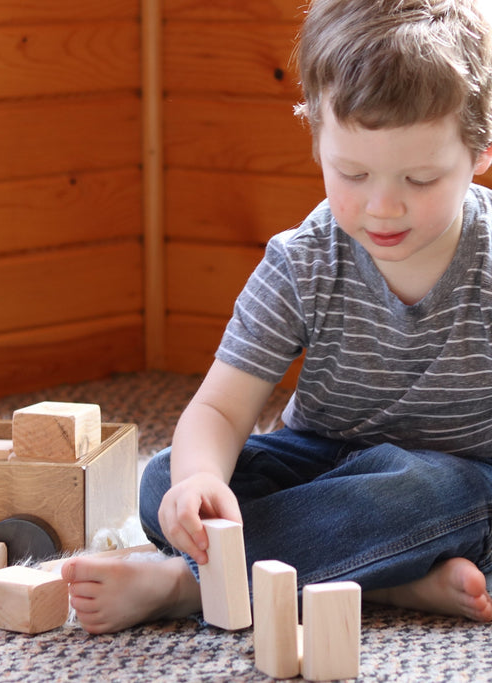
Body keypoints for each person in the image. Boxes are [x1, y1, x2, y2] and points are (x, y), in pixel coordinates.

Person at [61, 0, 492, 634]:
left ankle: (191, 586)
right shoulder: (303, 260)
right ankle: (394, 577)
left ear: (480, 152)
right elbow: (220, 411)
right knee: (164, 485)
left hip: (452, 483)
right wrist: (199, 483)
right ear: (316, 137)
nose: (383, 206)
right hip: (323, 457)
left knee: (420, 493)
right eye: (352, 172)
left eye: (421, 178)